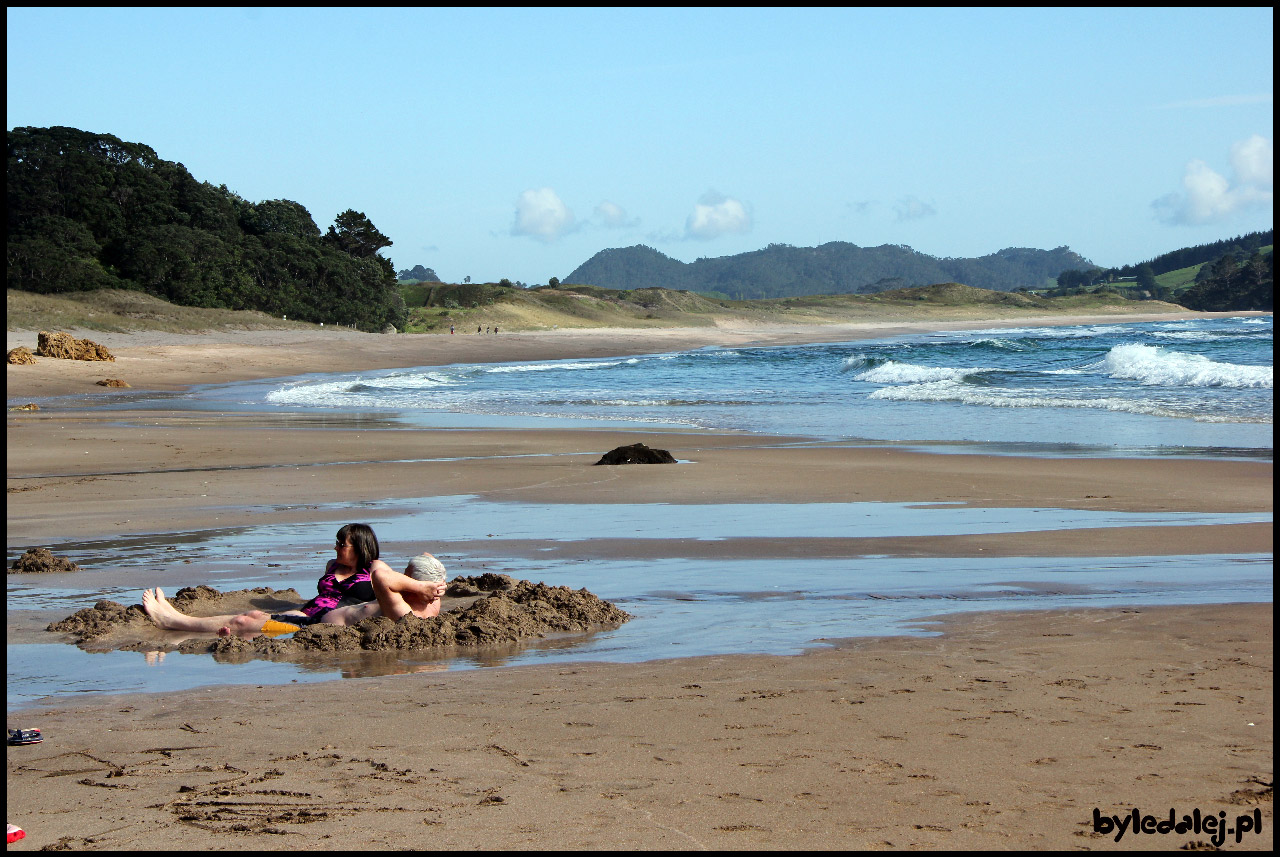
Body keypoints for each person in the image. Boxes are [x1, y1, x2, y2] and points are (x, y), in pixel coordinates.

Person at [141, 524, 447, 636]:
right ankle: (176, 618)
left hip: (312, 627)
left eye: (343, 544)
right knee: (250, 617)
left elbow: (384, 575)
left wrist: (424, 586)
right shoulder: (404, 603)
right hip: (309, 617)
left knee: (244, 621)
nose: (337, 548)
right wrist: (426, 583)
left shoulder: (398, 604)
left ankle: (173, 621)